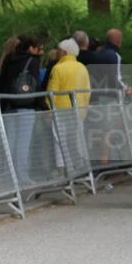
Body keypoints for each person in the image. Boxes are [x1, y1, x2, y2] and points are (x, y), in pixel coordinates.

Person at [0, 34, 44, 186]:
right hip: (25, 106)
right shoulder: (32, 62)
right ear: (30, 47)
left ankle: (9, 177)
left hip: (8, 106)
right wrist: (42, 106)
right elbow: (35, 85)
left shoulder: (7, 61)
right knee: (23, 144)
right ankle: (22, 176)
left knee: (11, 144)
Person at [46, 38, 91, 172]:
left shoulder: (58, 68)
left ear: (64, 52)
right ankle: (81, 168)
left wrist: (49, 109)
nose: (57, 53)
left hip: (60, 110)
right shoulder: (82, 67)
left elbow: (52, 91)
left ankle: (63, 169)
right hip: (79, 110)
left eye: (59, 51)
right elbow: (87, 90)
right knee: (78, 139)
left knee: (59, 140)